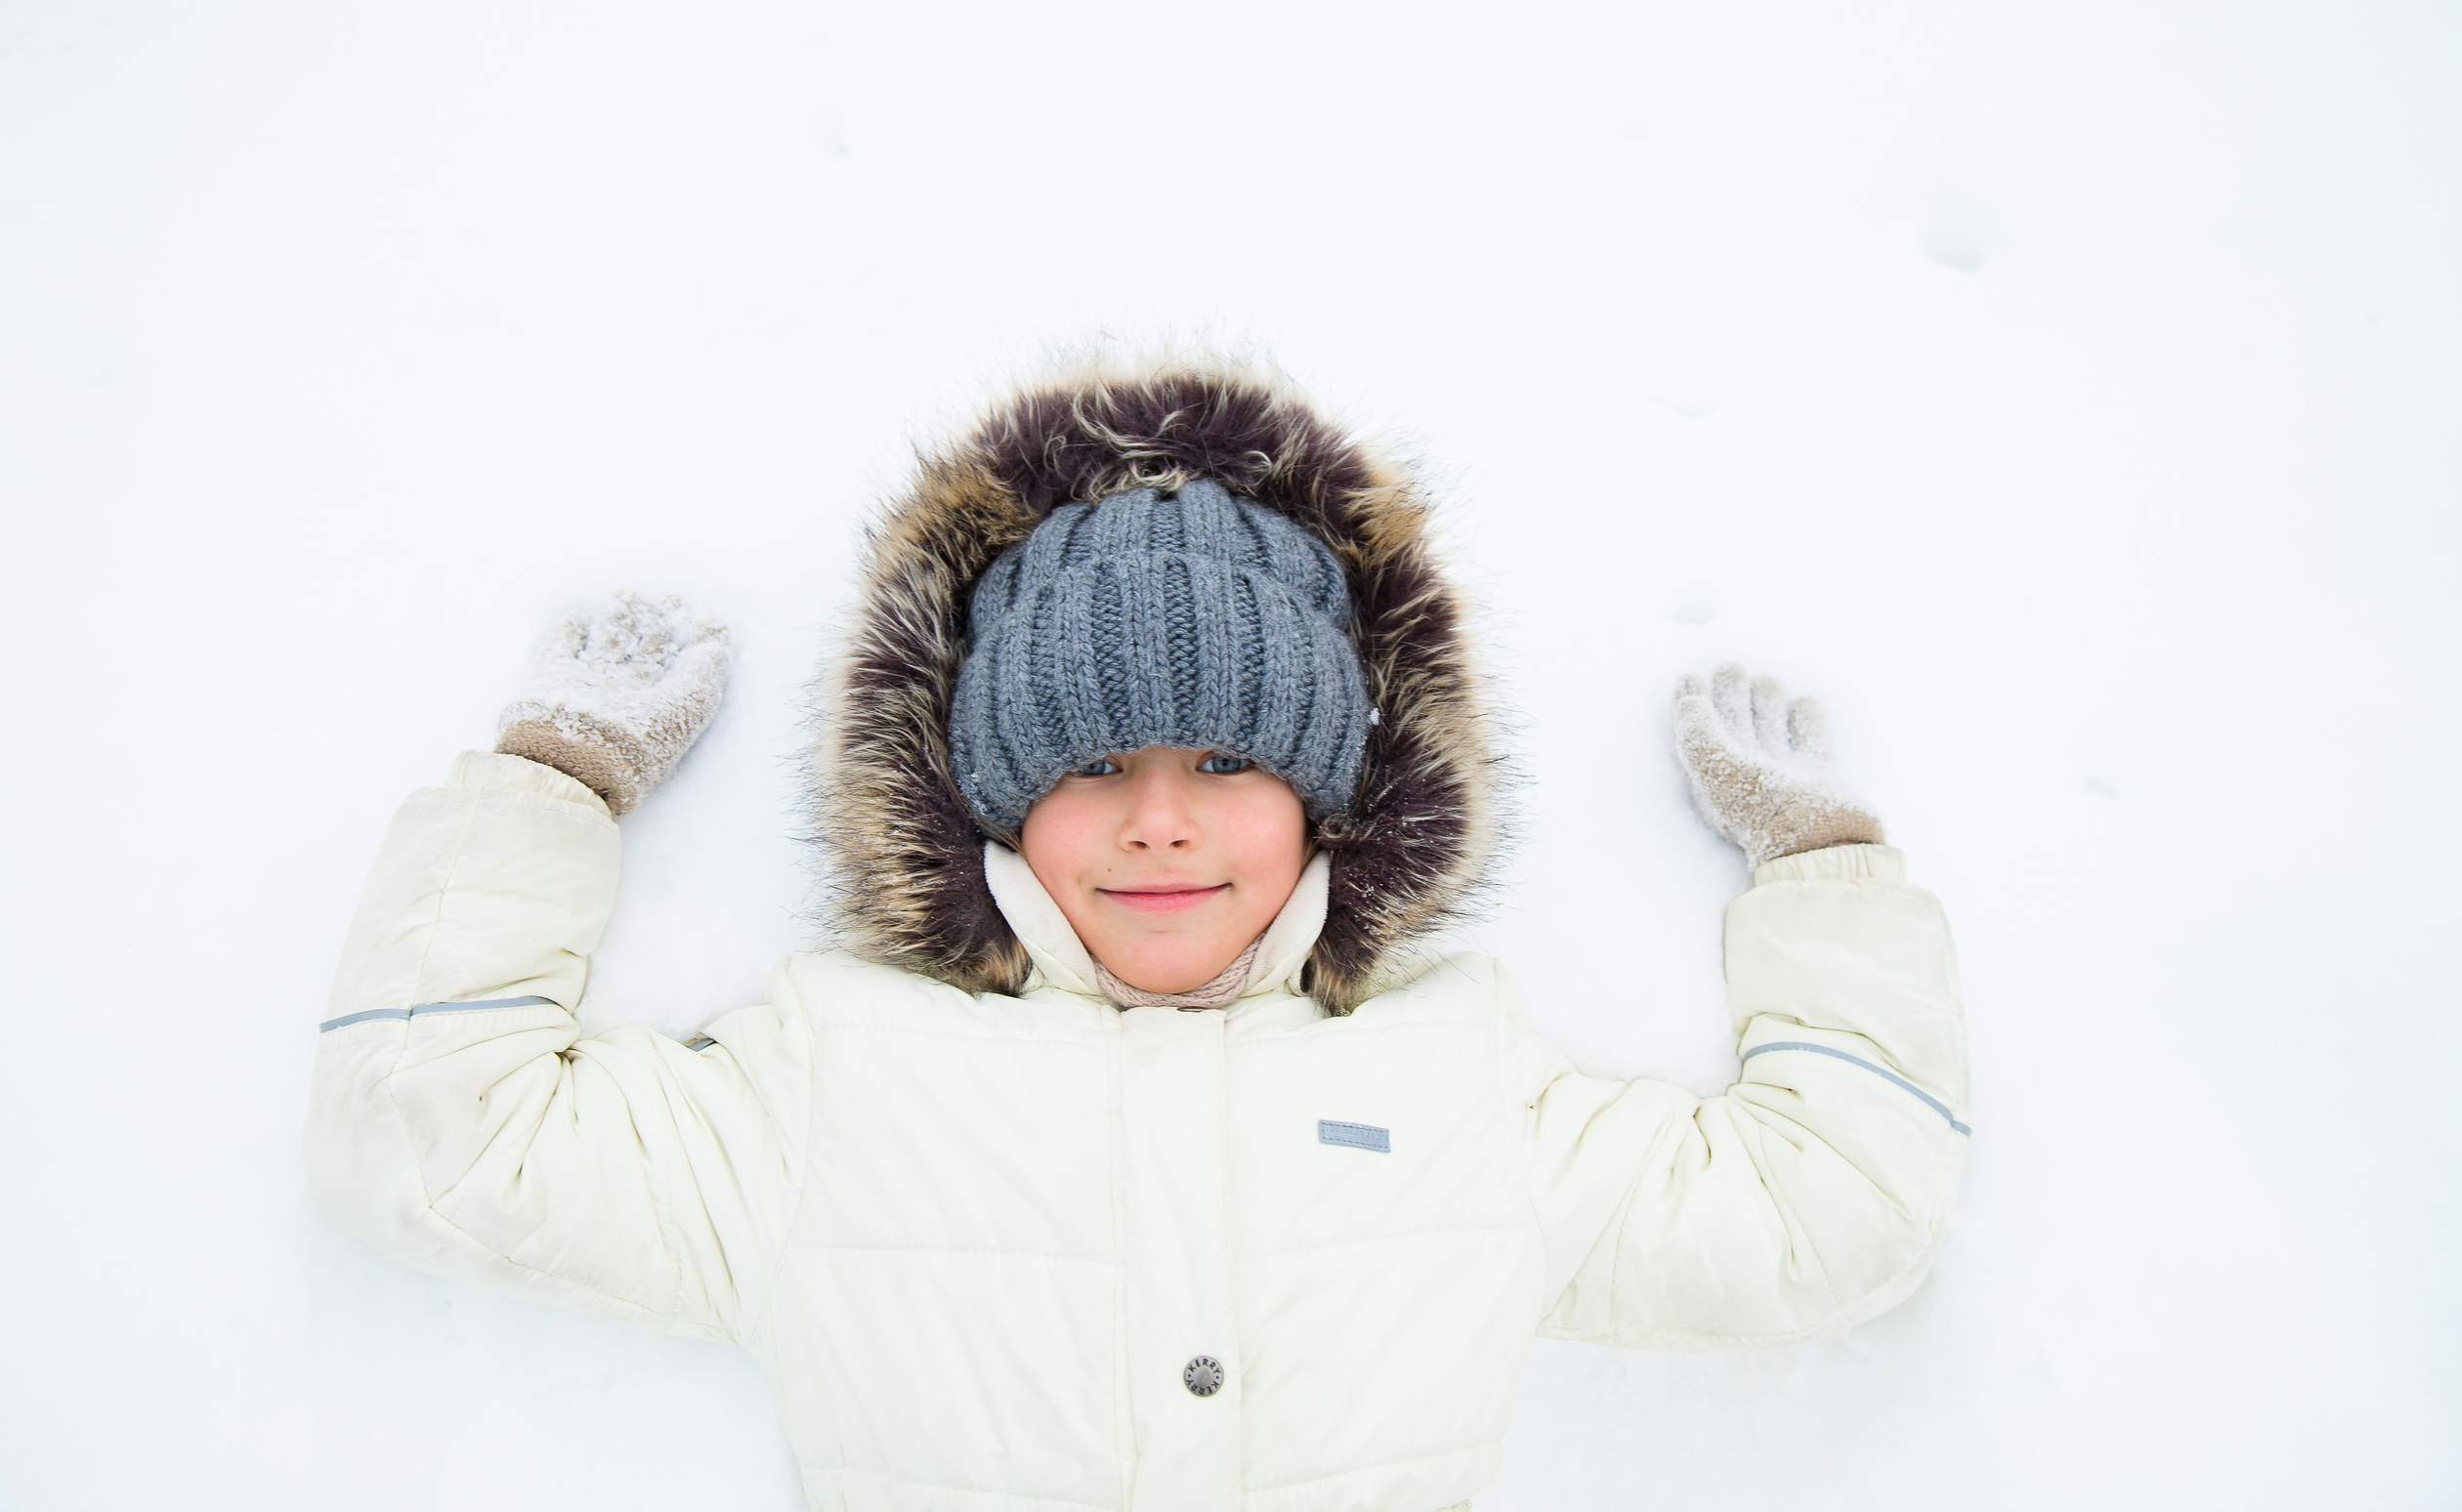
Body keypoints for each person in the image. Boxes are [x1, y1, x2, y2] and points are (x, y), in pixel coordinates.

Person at [307, 352, 1969, 1512]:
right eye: (1095, 764)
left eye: (1229, 761)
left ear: (1327, 796)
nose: (1160, 819)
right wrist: (551, 783)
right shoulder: (836, 1081)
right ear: (994, 799)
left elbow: (1831, 1217)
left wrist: (1822, 868)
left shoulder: (1463, 1090)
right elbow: (438, 1149)